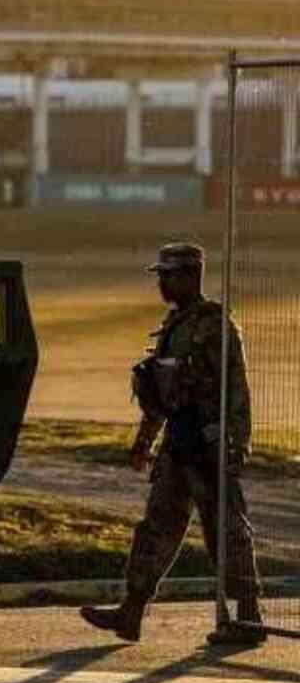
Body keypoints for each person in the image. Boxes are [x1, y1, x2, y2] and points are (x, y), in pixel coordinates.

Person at [80, 243, 265, 645]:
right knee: (156, 529)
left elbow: (236, 389)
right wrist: (144, 441)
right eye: (160, 276)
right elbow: (165, 394)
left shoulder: (214, 325)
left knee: (227, 531)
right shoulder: (174, 326)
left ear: (191, 275)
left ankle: (249, 617)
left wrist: (235, 444)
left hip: (209, 445)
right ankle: (131, 612)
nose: (161, 283)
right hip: (178, 446)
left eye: (168, 275)